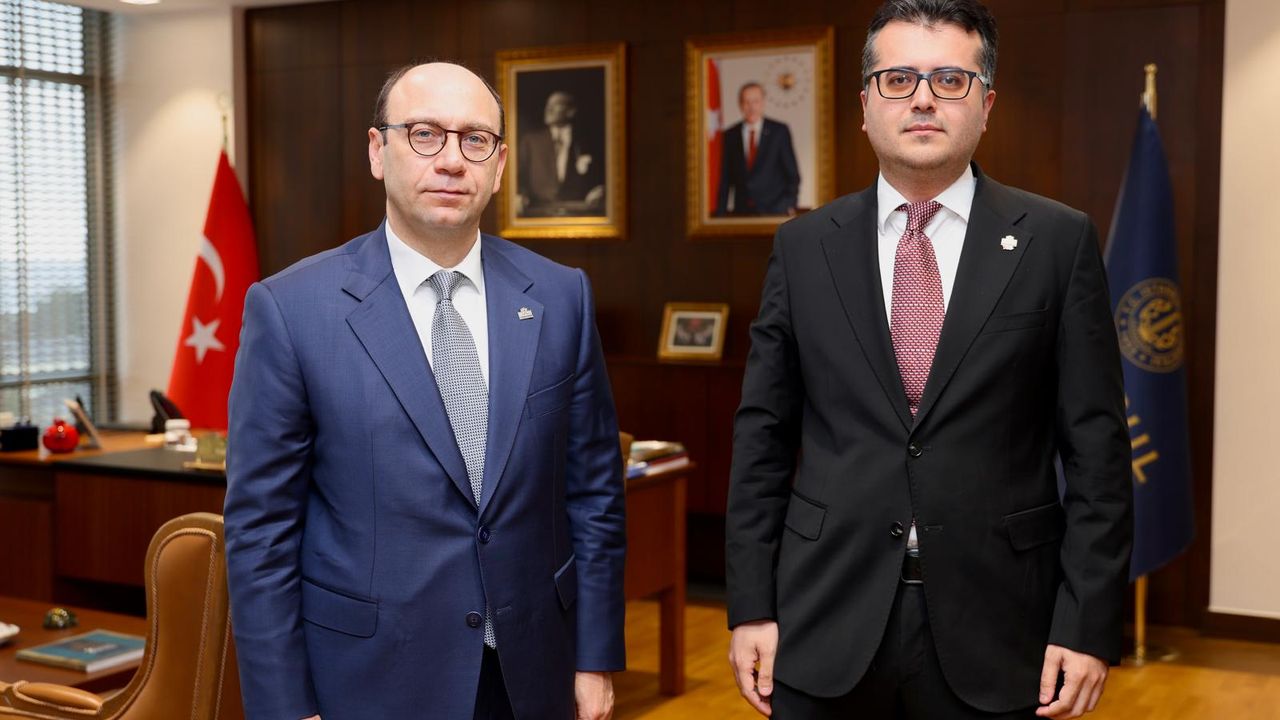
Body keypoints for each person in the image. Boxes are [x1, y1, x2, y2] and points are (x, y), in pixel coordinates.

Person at [725, 2, 1132, 719]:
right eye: (897, 79)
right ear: (864, 105)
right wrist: (751, 604)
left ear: (986, 105)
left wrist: (1087, 623)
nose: (921, 98)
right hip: (824, 619)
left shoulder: (1057, 242)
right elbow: (763, 438)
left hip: (1003, 628)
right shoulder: (804, 247)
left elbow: (1098, 454)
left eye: (949, 79)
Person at [224, 62, 626, 720]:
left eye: (475, 140)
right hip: (368, 683)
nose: (451, 160)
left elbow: (595, 495)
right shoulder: (292, 310)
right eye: (425, 134)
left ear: (499, 165)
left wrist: (594, 657)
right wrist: (285, 706)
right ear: (377, 151)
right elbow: (261, 532)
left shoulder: (561, 297)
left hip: (533, 674)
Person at [715, 82, 800, 216]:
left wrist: (786, 205)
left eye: (755, 101)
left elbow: (793, 175)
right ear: (740, 104)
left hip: (774, 213)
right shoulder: (730, 135)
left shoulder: (779, 132)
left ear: (763, 103)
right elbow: (725, 180)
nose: (751, 107)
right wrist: (720, 214)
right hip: (741, 214)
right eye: (746, 102)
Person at [518, 90, 606, 216]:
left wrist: (600, 190)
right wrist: (519, 195)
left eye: (556, 104)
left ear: (571, 111)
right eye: (548, 105)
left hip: (579, 213)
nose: (549, 109)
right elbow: (518, 178)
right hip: (538, 213)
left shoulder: (588, 141)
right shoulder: (530, 142)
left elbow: (603, 177)